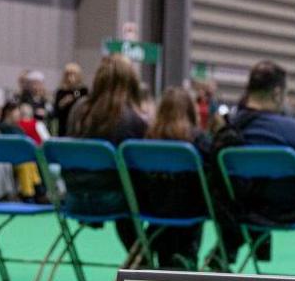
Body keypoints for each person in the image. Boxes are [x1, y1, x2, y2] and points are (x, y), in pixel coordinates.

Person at [215, 61, 295, 268]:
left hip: (247, 210)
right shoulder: (291, 129)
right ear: (276, 93)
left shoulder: (229, 129)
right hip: (293, 210)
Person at [67, 55, 148, 259]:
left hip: (76, 198)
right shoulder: (133, 120)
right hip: (114, 200)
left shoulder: (78, 111)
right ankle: (145, 258)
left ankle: (141, 257)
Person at [141, 86, 215, 269]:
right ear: (191, 110)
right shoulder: (198, 139)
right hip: (190, 209)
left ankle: (162, 255)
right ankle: (188, 255)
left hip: (152, 207)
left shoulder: (147, 139)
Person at [52, 63, 88, 137]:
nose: (70, 77)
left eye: (73, 74)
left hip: (78, 125)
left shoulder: (83, 91)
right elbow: (56, 112)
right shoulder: (60, 92)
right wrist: (63, 103)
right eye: (68, 74)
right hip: (64, 125)